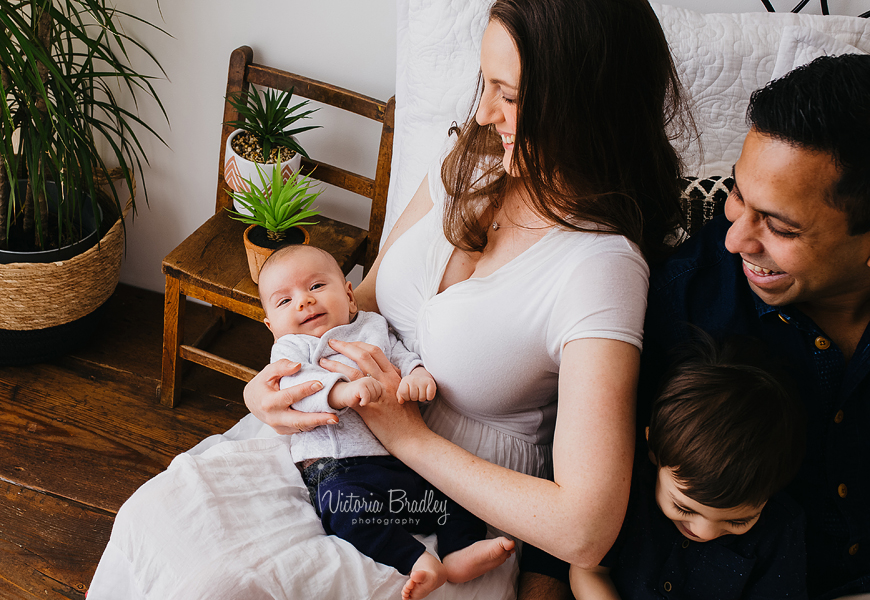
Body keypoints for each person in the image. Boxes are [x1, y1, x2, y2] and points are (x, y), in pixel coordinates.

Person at [89, 1, 691, 597]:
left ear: (582, 109)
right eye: (486, 84)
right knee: (154, 520)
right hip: (330, 440)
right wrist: (267, 386)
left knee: (223, 589)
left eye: (509, 95)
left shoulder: (600, 267)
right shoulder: (471, 161)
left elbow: (585, 531)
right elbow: (365, 300)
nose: (483, 113)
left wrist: (407, 435)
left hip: (441, 516)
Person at [640, 54, 870, 600]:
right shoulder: (685, 297)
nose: (737, 240)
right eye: (738, 194)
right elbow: (586, 460)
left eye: (779, 226)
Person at [257, 244, 515, 600]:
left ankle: (459, 551)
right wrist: (340, 394)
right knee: (345, 512)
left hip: (396, 462)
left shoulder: (372, 326)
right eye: (284, 301)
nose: (303, 301)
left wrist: (416, 373)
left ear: (349, 296)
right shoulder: (291, 347)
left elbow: (398, 353)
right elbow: (294, 388)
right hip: (338, 469)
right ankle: (417, 559)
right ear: (271, 325)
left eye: (316, 287)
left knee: (451, 496)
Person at [571, 334, 807, 600]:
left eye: (738, 520)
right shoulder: (627, 490)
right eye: (683, 507)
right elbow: (588, 572)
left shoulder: (779, 530)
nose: (704, 532)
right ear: (654, 451)